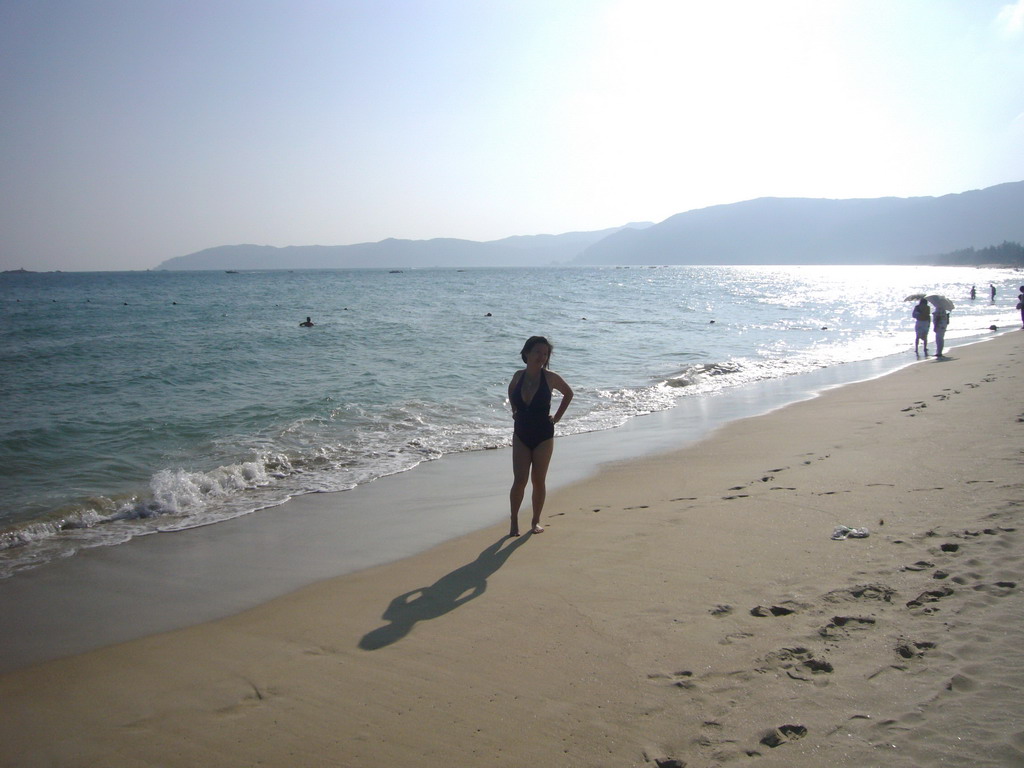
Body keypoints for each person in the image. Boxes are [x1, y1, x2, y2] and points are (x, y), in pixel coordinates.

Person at [508, 336, 573, 537]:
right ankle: (514, 521)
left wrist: (557, 418)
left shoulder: (550, 378)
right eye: (537, 352)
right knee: (520, 480)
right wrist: (514, 409)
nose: (541, 357)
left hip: (544, 435)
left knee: (538, 480)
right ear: (526, 353)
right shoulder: (518, 376)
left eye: (545, 354)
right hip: (521, 433)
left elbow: (568, 393)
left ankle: (535, 521)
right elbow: (511, 391)